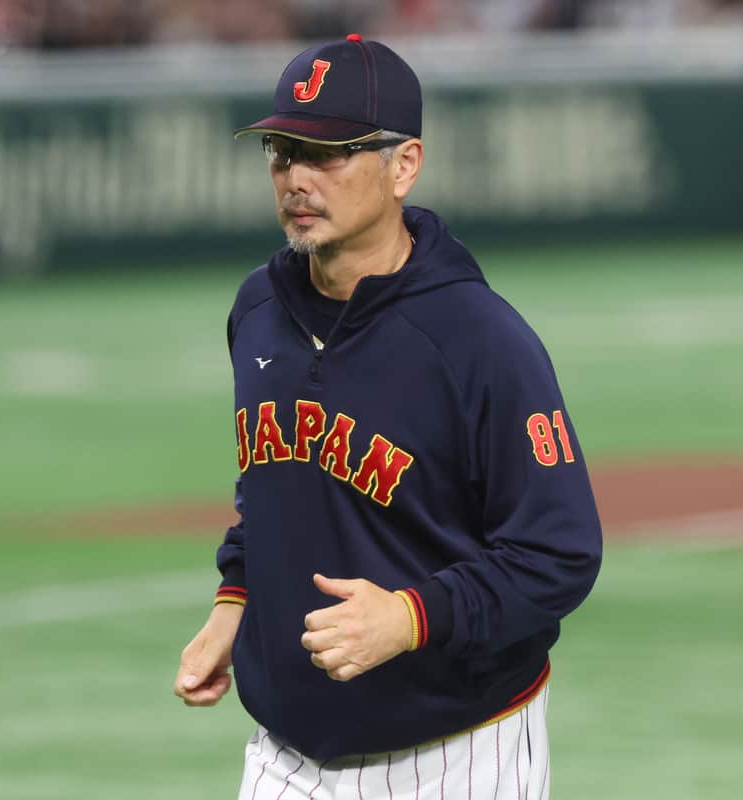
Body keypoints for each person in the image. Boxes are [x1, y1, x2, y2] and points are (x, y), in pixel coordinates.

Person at [174, 33, 603, 800]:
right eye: (281, 151)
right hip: (284, 756)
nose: (296, 177)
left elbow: (559, 554)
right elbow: (268, 494)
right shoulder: (258, 310)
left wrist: (411, 618)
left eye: (329, 153)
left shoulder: (480, 340)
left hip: (455, 754)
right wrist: (232, 604)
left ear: (404, 165)